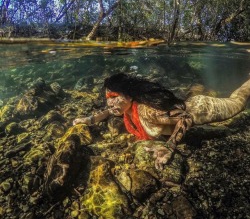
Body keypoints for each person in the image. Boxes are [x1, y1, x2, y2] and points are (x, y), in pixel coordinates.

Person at [73, 73, 250, 170]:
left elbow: (185, 118)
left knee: (238, 102)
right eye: (107, 98)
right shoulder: (126, 106)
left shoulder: (146, 111)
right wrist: (90, 119)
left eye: (113, 97)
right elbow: (108, 112)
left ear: (129, 95)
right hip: (186, 105)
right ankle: (196, 87)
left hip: (201, 109)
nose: (109, 103)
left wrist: (169, 146)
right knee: (187, 99)